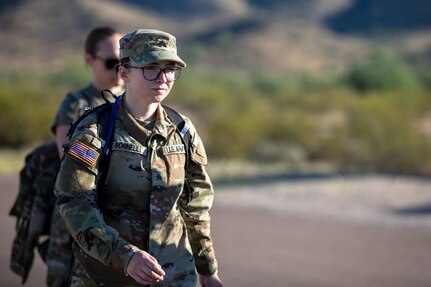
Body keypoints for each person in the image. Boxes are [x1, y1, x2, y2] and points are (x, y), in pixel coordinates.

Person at [54, 29, 223, 287]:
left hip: (175, 277)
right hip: (109, 277)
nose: (163, 78)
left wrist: (208, 270)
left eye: (170, 69)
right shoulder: (95, 132)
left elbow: (196, 207)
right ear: (124, 73)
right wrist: (125, 256)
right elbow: (75, 204)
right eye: (151, 68)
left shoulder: (182, 132)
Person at [46, 26, 123, 287]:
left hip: (120, 226)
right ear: (89, 60)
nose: (119, 69)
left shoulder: (134, 105)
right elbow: (70, 167)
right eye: (111, 62)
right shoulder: (75, 104)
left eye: (125, 62)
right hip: (78, 220)